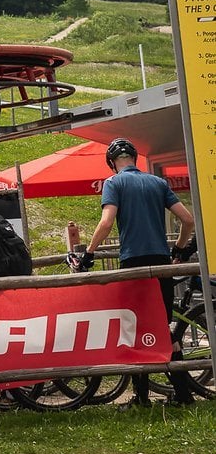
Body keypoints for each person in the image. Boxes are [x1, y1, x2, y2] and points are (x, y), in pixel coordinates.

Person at [74, 138, 196, 406]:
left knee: (133, 327)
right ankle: (184, 394)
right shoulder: (158, 182)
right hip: (161, 261)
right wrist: (178, 250)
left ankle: (141, 397)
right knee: (162, 326)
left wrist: (90, 253)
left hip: (133, 263)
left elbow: (106, 222)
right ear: (134, 159)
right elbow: (187, 220)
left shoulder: (113, 183)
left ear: (112, 162)